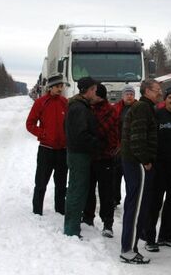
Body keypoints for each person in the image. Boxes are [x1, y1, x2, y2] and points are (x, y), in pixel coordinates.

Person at [119, 79, 162, 264]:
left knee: (135, 205)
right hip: (137, 164)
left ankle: (131, 246)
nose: (160, 92)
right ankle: (127, 250)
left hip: (136, 163)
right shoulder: (143, 108)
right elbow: (137, 137)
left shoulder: (145, 107)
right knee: (135, 207)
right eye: (157, 90)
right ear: (147, 91)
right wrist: (145, 161)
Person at [144, 86, 171, 252]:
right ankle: (149, 239)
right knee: (154, 203)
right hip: (158, 166)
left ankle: (166, 236)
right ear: (165, 100)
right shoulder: (157, 115)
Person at [26, 74, 69, 216]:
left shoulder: (65, 102)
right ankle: (37, 211)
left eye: (61, 86)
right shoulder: (40, 102)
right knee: (41, 183)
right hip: (46, 149)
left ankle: (60, 209)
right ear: (50, 87)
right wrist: (43, 134)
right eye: (57, 86)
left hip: (62, 150)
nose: (60, 89)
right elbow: (30, 124)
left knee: (61, 184)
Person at [64, 77, 100, 238]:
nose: (95, 92)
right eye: (94, 89)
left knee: (75, 189)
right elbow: (80, 134)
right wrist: (97, 143)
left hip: (77, 152)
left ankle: (71, 225)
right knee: (77, 190)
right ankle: (72, 229)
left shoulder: (79, 106)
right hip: (79, 154)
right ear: (89, 90)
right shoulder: (79, 108)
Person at [83, 83, 119, 237]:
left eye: (94, 93)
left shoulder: (109, 111)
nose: (91, 96)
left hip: (105, 157)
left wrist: (86, 134)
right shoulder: (88, 108)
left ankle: (107, 223)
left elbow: (101, 131)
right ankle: (87, 219)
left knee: (106, 192)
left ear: (100, 96)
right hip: (90, 156)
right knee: (89, 190)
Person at [112, 84, 136, 207]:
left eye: (131, 94)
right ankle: (115, 198)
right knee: (116, 175)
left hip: (132, 148)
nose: (129, 96)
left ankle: (131, 199)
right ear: (123, 96)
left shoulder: (138, 108)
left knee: (130, 177)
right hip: (118, 147)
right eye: (127, 94)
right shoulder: (116, 108)